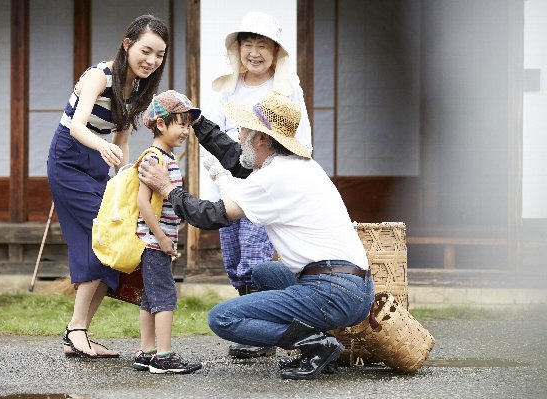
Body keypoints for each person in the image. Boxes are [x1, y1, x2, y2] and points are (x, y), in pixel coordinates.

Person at [138, 91, 374, 380]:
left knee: (222, 318)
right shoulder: (298, 166)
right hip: (358, 289)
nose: (238, 135)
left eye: (243, 130)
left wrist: (169, 190)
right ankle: (318, 340)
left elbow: (208, 216)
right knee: (262, 273)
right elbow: (239, 161)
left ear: (260, 139)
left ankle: (315, 345)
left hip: (333, 292)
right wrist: (199, 123)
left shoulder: (273, 179)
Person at [47, 14, 169, 358]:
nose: (151, 61)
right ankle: (76, 330)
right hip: (69, 160)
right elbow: (77, 127)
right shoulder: (98, 76)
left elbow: (123, 137)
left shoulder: (143, 88)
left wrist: (124, 180)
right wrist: (103, 149)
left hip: (101, 166)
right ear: (127, 44)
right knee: (102, 239)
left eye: (159, 55)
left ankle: (78, 331)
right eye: (146, 51)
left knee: (115, 239)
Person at [202, 11, 313, 359]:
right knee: (235, 261)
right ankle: (254, 327)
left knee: (255, 259)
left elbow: (302, 138)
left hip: (266, 187)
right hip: (230, 186)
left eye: (262, 44)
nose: (254, 52)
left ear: (276, 51)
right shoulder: (225, 87)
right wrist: (220, 179)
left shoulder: (286, 88)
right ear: (237, 49)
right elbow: (212, 136)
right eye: (247, 43)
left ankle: (263, 335)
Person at [132, 90, 202, 374]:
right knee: (164, 297)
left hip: (154, 241)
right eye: (181, 123)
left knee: (150, 298)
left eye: (188, 125)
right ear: (161, 124)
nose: (186, 130)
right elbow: (142, 202)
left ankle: (146, 351)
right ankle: (163, 355)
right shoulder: (155, 158)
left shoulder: (164, 156)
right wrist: (161, 237)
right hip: (154, 242)